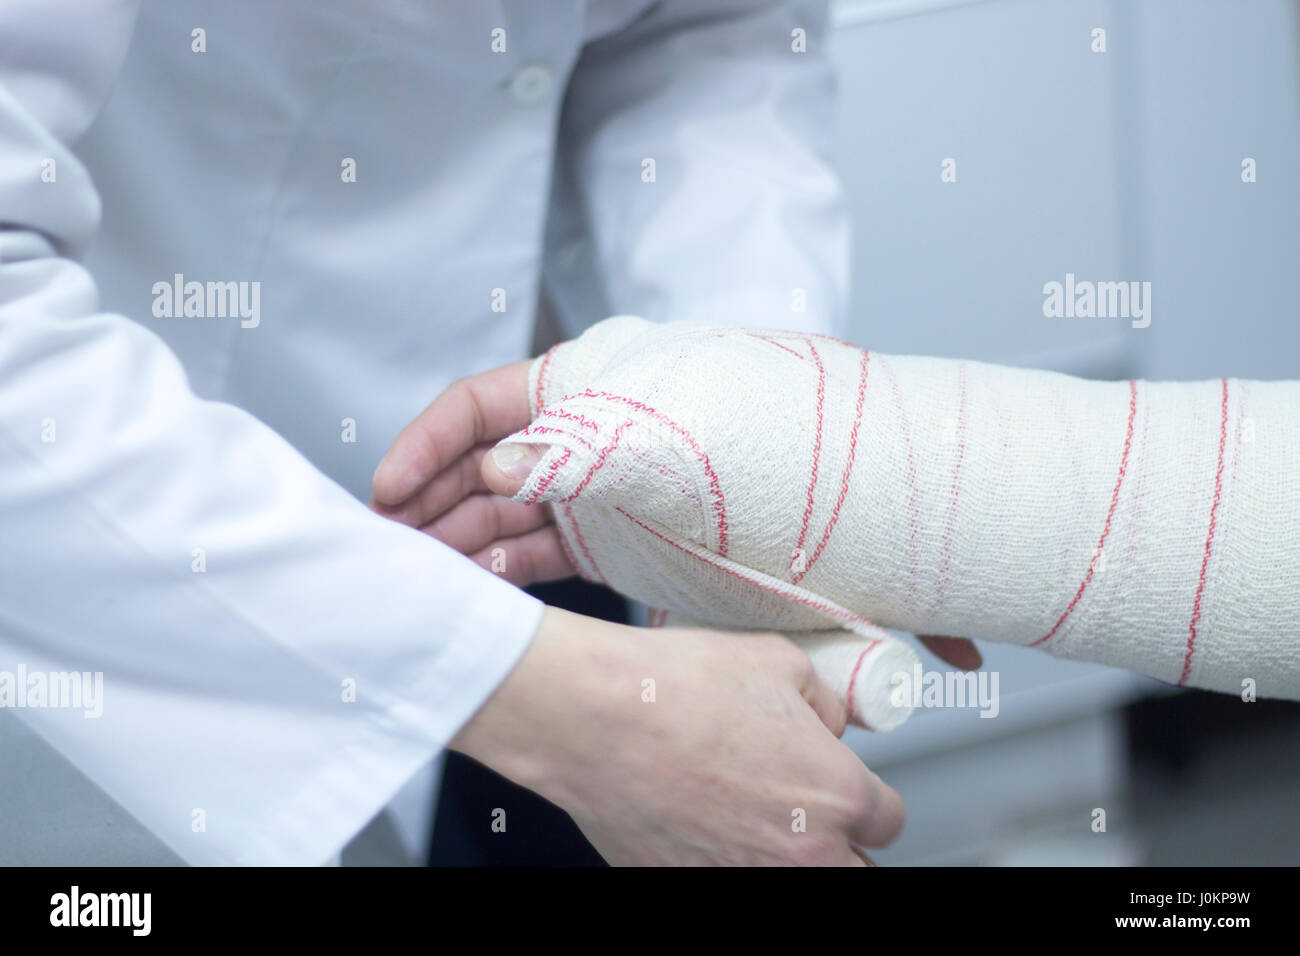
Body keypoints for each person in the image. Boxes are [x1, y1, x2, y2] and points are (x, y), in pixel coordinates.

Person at [0, 0, 973, 865]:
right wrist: (572, 716)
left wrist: (770, 432)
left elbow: (695, 30)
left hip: (541, 493)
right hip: (135, 524)